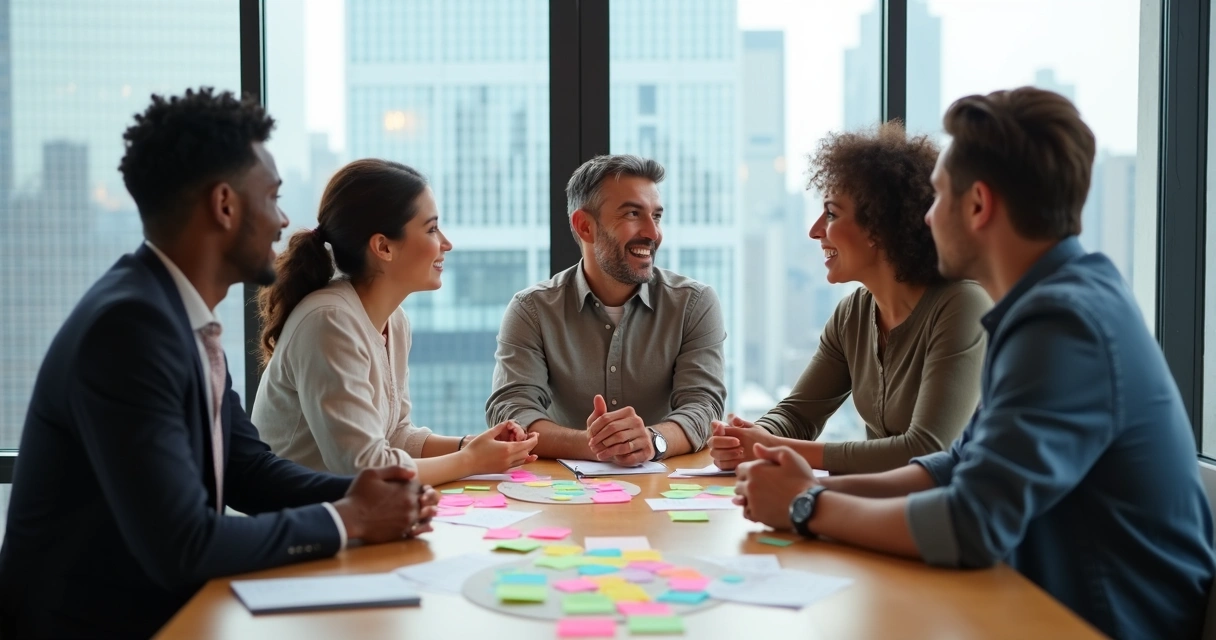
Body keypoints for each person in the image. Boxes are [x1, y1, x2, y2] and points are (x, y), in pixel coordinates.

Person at [733, 87, 1216, 639]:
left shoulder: (1064, 323)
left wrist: (808, 505)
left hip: (1100, 624)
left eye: (938, 197)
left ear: (979, 205)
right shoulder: (1053, 302)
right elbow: (954, 465)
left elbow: (971, 523)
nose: (926, 217)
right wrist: (815, 489)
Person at [0, 89, 439, 638]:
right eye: (273, 197)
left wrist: (369, 493)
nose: (283, 221)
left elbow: (248, 469)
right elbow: (183, 544)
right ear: (225, 205)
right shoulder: (129, 329)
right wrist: (349, 517)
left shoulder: (175, 316)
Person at [709, 122, 990, 475]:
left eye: (831, 214)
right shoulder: (852, 314)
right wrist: (747, 437)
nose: (815, 231)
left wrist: (771, 447)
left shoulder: (962, 305)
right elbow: (798, 414)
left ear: (878, 227)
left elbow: (926, 449)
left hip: (946, 508)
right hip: (874, 502)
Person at [252, 159, 539, 485]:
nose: (446, 243)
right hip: (301, 513)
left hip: (352, 508)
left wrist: (471, 445)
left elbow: (396, 436)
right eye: (431, 229)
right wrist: (471, 461)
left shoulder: (395, 321)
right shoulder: (329, 321)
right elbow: (364, 468)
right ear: (383, 247)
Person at [486, 155, 726, 465]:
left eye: (656, 216)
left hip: (665, 486)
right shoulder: (531, 310)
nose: (653, 233)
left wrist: (652, 441)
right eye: (633, 214)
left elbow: (704, 407)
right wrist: (596, 446)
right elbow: (511, 413)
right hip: (562, 488)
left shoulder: (694, 304)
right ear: (585, 226)